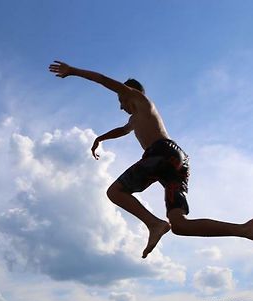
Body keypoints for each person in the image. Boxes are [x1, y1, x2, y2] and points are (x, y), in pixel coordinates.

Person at [49, 60, 253, 258]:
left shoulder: (139, 99)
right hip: (176, 161)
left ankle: (154, 223)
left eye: (121, 101)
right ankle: (244, 229)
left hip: (160, 153)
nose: (121, 107)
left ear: (127, 93)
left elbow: (103, 79)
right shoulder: (136, 117)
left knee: (115, 192)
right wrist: (100, 138)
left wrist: (73, 71)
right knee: (180, 225)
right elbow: (123, 130)